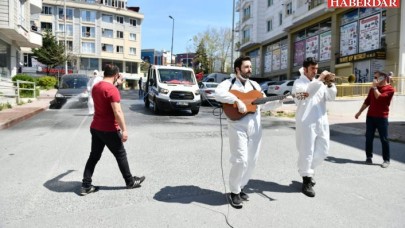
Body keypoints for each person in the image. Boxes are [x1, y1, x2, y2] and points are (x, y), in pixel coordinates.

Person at [215, 56, 282, 209]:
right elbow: (217, 93)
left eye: (250, 67)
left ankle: (241, 186)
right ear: (237, 69)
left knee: (252, 160)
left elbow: (263, 105)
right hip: (237, 125)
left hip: (255, 127)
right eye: (246, 67)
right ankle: (234, 192)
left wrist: (278, 101)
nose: (250, 69)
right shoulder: (228, 83)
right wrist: (236, 101)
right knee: (240, 159)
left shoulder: (255, 85)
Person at [80, 64, 145, 196]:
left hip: (96, 127)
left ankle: (86, 185)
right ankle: (130, 181)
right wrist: (124, 130)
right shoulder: (112, 90)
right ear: (116, 75)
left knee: (94, 156)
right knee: (121, 154)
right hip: (109, 129)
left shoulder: (96, 87)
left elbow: (105, 92)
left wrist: (116, 84)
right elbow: (117, 111)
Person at [291, 57, 337, 198]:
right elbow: (306, 94)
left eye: (317, 69)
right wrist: (321, 79)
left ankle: (308, 171)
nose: (315, 71)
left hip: (321, 121)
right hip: (306, 122)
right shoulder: (299, 83)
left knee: (323, 150)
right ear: (305, 69)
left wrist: (330, 84)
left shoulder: (320, 83)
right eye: (312, 69)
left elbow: (331, 97)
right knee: (307, 151)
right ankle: (306, 180)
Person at [355, 71, 395, 168]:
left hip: (382, 117)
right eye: (374, 77)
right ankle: (369, 157)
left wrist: (375, 87)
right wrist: (359, 112)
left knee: (384, 139)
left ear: (383, 78)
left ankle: (386, 160)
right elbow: (367, 101)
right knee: (368, 138)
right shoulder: (373, 88)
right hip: (370, 117)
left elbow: (379, 98)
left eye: (377, 77)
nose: (375, 80)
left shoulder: (390, 89)